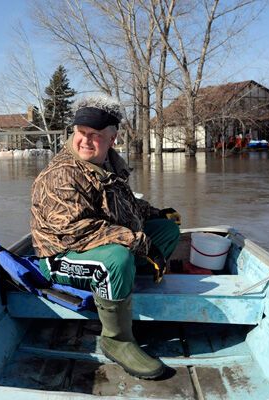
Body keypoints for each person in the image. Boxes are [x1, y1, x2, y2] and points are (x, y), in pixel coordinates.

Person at [30, 94, 181, 379]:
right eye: (81, 133)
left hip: (98, 246)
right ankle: (117, 339)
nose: (85, 141)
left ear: (112, 139)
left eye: (95, 135)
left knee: (167, 230)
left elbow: (126, 208)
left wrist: (157, 214)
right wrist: (139, 243)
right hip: (60, 256)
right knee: (118, 258)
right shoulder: (62, 174)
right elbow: (74, 230)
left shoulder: (109, 164)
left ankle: (125, 285)